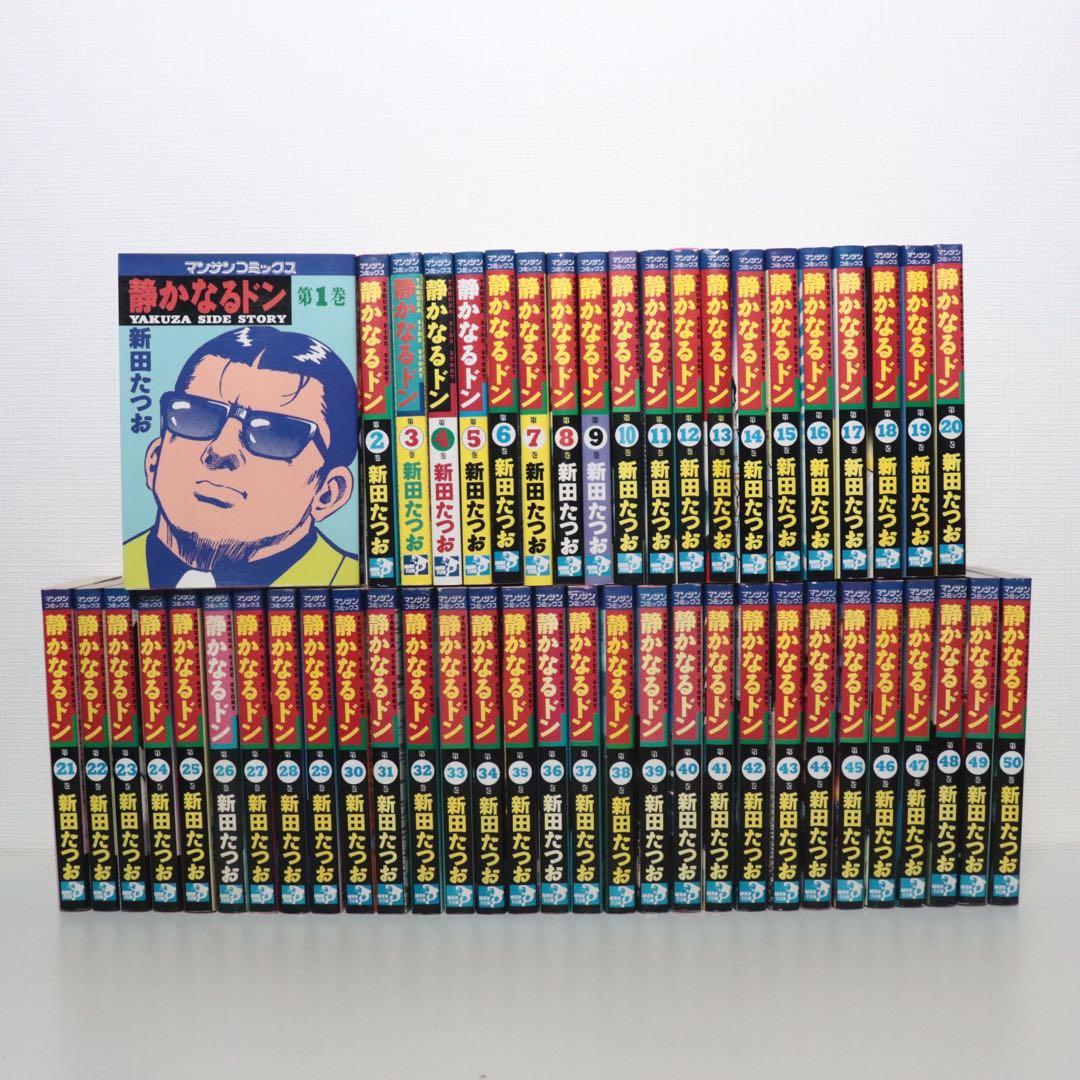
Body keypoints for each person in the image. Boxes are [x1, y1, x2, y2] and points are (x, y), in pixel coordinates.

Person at [123, 326, 360, 587]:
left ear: (327, 494)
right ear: (154, 459)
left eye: (275, 434)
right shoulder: (117, 570)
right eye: (197, 415)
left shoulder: (349, 585)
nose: (222, 450)